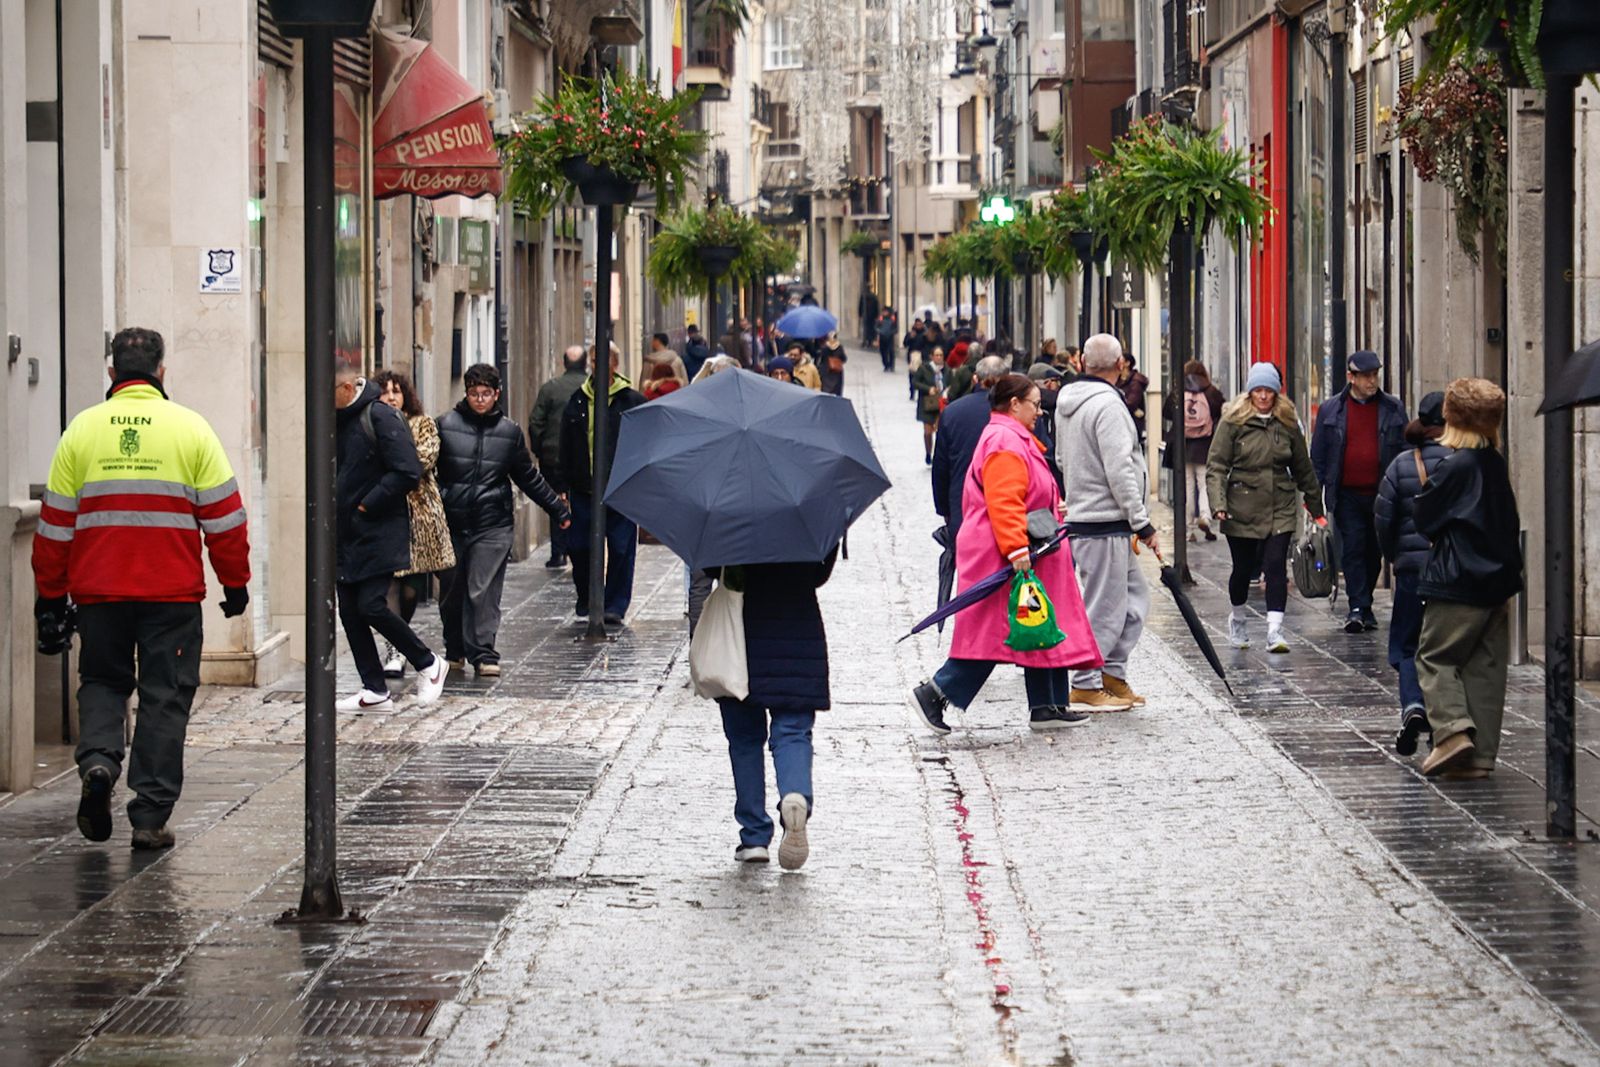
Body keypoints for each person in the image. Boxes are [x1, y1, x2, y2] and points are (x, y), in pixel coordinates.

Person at [33, 327, 251, 849]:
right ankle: (149, 816)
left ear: (112, 373)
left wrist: (49, 597)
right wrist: (235, 584)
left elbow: (54, 526)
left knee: (103, 682)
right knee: (164, 697)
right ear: (161, 371)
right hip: (170, 596)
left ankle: (101, 763)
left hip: (98, 594)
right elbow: (225, 521)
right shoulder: (191, 429)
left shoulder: (82, 431)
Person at [911, 375, 1101, 733]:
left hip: (1028, 548)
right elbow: (1004, 499)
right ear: (1014, 405)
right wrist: (1015, 548)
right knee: (996, 633)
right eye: (1034, 405)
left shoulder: (1011, 437)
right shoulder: (1003, 440)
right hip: (1007, 552)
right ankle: (934, 694)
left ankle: (1048, 704)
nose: (1039, 413)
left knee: (1041, 626)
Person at [1414, 379, 1522, 780]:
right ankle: (1479, 758)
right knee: (1484, 667)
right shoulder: (1494, 462)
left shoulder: (1456, 465)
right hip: (1499, 580)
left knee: (1435, 656)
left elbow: (1424, 516)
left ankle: (1452, 732)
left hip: (1459, 580)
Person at [437, 363, 571, 675]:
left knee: (482, 590)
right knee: (452, 591)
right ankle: (455, 648)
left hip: (492, 523)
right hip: (452, 522)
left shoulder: (508, 433)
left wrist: (557, 509)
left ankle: (484, 653)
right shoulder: (445, 425)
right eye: (474, 394)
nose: (480, 400)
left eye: (485, 394)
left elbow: (528, 477)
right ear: (466, 394)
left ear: (497, 394)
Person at [710, 547, 839, 869]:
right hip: (797, 632)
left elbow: (712, 568)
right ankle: (795, 795)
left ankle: (754, 837)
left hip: (738, 637)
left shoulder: (725, 504)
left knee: (744, 741)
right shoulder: (809, 505)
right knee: (793, 731)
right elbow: (818, 574)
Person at [333, 363, 449, 712]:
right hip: (345, 533)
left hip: (378, 530)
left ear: (347, 386)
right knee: (350, 610)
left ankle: (429, 663)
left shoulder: (380, 416)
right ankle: (374, 688)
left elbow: (408, 470)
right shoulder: (337, 419)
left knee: (370, 604)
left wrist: (367, 506)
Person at [1054, 334, 1156, 711]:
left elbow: (1063, 460)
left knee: (1133, 601)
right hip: (1105, 520)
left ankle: (1111, 672)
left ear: (1082, 362)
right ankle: (1084, 682)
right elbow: (1120, 470)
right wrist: (1142, 522)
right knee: (1105, 607)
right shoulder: (1108, 407)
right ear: (1119, 366)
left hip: (1096, 519)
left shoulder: (1069, 403)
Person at [1206, 361, 1326, 654]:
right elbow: (1217, 465)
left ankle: (1275, 630)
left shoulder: (1286, 422)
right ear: (1249, 393)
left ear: (1276, 393)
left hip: (1279, 504)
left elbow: (1302, 466)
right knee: (1243, 569)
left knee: (1275, 567)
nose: (1263, 396)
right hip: (1241, 504)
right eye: (1257, 390)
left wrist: (1315, 506)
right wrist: (1218, 504)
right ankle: (1239, 619)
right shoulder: (1233, 422)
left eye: (1268, 391)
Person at [1374, 391, 1451, 757]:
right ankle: (1442, 722)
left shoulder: (1401, 466)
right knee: (1444, 646)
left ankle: (1413, 707)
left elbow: (1384, 519)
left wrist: (1396, 557)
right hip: (1452, 572)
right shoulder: (1460, 462)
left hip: (1411, 572)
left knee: (1407, 645)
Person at [1310, 350, 1409, 634]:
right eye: (1366, 376)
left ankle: (1365, 607)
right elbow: (1319, 455)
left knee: (1374, 551)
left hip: (1382, 494)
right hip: (1347, 494)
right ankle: (1357, 606)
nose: (1372, 381)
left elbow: (1403, 449)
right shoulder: (1332, 410)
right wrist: (1314, 495)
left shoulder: (1392, 408)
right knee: (1352, 548)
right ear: (1350, 378)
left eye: (1375, 375)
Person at [372, 370, 456, 679]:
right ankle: (395, 650)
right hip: (387, 511)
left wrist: (393, 463)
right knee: (392, 583)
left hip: (421, 514)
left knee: (413, 588)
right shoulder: (371, 424)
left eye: (396, 391)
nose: (391, 397)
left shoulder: (423, 424)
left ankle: (419, 637)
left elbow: (422, 459)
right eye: (384, 392)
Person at [559, 343, 647, 626]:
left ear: (615, 364)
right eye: (594, 360)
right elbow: (566, 443)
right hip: (584, 487)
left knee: (621, 549)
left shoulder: (631, 400)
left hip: (621, 487)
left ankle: (615, 605)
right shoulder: (578, 400)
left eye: (603, 361)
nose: (597, 366)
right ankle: (587, 596)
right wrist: (562, 484)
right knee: (580, 547)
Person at [932, 355, 1009, 534]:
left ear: (975, 378)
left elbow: (941, 467)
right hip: (1008, 508)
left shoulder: (952, 413)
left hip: (963, 505)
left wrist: (945, 509)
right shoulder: (1018, 411)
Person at [527, 345, 588, 569]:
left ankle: (558, 552)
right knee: (581, 503)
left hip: (553, 456)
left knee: (556, 503)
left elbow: (536, 421)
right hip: (584, 458)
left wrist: (540, 449)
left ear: (564, 363)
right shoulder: (591, 387)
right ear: (585, 363)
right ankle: (578, 549)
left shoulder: (551, 388)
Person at [1161, 359, 1226, 542]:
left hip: (1183, 446)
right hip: (1205, 445)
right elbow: (1221, 411)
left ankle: (1188, 528)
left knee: (1186, 486)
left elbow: (1166, 412)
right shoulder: (1211, 391)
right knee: (1205, 483)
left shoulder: (1179, 390)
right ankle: (1205, 516)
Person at [1026, 362, 1065, 492]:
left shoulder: (1022, 408)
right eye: (1056, 381)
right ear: (1046, 382)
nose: (1058, 386)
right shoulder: (1063, 404)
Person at [912, 347, 947, 464]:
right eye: (936, 355)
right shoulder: (924, 368)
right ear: (932, 356)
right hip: (927, 404)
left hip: (942, 404)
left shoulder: (946, 369)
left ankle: (938, 455)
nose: (939, 357)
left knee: (939, 432)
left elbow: (951, 382)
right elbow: (915, 382)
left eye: (941, 355)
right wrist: (928, 389)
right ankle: (928, 452)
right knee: (928, 432)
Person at [1117, 351, 1151, 445]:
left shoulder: (1136, 381)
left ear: (1127, 363)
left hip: (1132, 424)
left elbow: (1132, 402)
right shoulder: (1118, 379)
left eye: (1120, 359)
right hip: (1122, 422)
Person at [817, 331, 848, 396]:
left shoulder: (825, 347)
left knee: (826, 389)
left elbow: (821, 358)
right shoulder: (839, 347)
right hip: (836, 371)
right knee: (836, 389)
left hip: (825, 371)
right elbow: (844, 359)